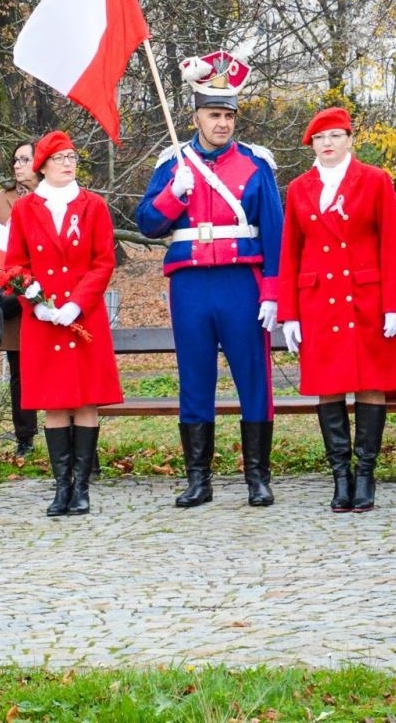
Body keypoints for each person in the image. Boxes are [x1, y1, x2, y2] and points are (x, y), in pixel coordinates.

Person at [133, 52, 283, 507]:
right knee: (194, 379)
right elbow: (146, 224)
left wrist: (273, 292)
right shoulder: (172, 162)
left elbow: (274, 232)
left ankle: (258, 477)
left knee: (253, 378)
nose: (222, 124)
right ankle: (198, 479)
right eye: (214, 115)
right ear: (196, 116)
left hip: (241, 283)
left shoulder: (257, 164)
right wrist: (173, 195)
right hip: (192, 287)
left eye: (228, 116)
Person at [276, 108, 396, 513]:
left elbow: (393, 242)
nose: (328, 144)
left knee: (370, 384)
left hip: (367, 299)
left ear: (350, 139)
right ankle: (341, 477)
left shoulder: (374, 180)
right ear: (312, 145)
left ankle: (365, 474)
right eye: (320, 138)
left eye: (335, 135)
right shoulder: (299, 188)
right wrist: (290, 314)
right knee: (329, 387)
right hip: (319, 302)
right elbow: (290, 252)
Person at [5, 131, 122, 517]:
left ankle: (83, 488)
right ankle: (61, 487)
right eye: (59, 158)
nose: (68, 163)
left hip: (82, 317)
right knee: (54, 402)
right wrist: (33, 300)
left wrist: (77, 304)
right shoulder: (25, 209)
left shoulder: (93, 205)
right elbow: (15, 264)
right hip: (44, 321)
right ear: (42, 166)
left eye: (72, 157)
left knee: (86, 400)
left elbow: (103, 261)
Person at [0, 140, 40, 458]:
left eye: (25, 159)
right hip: (14, 292)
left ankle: (64, 430)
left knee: (50, 365)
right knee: (19, 368)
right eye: (15, 160)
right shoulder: (1, 198)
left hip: (47, 291)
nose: (18, 165)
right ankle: (25, 438)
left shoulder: (52, 194)